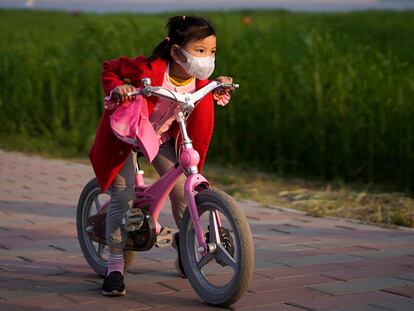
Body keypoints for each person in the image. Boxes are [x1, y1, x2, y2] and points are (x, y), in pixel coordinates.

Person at [89, 15, 233, 297]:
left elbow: (201, 96)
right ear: (177, 51)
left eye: (212, 51)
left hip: (160, 138)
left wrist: (217, 85)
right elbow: (111, 68)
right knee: (123, 197)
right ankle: (115, 266)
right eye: (200, 50)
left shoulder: (197, 79)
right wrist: (119, 87)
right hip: (128, 135)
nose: (207, 58)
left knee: (181, 190)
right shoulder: (150, 69)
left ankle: (186, 245)